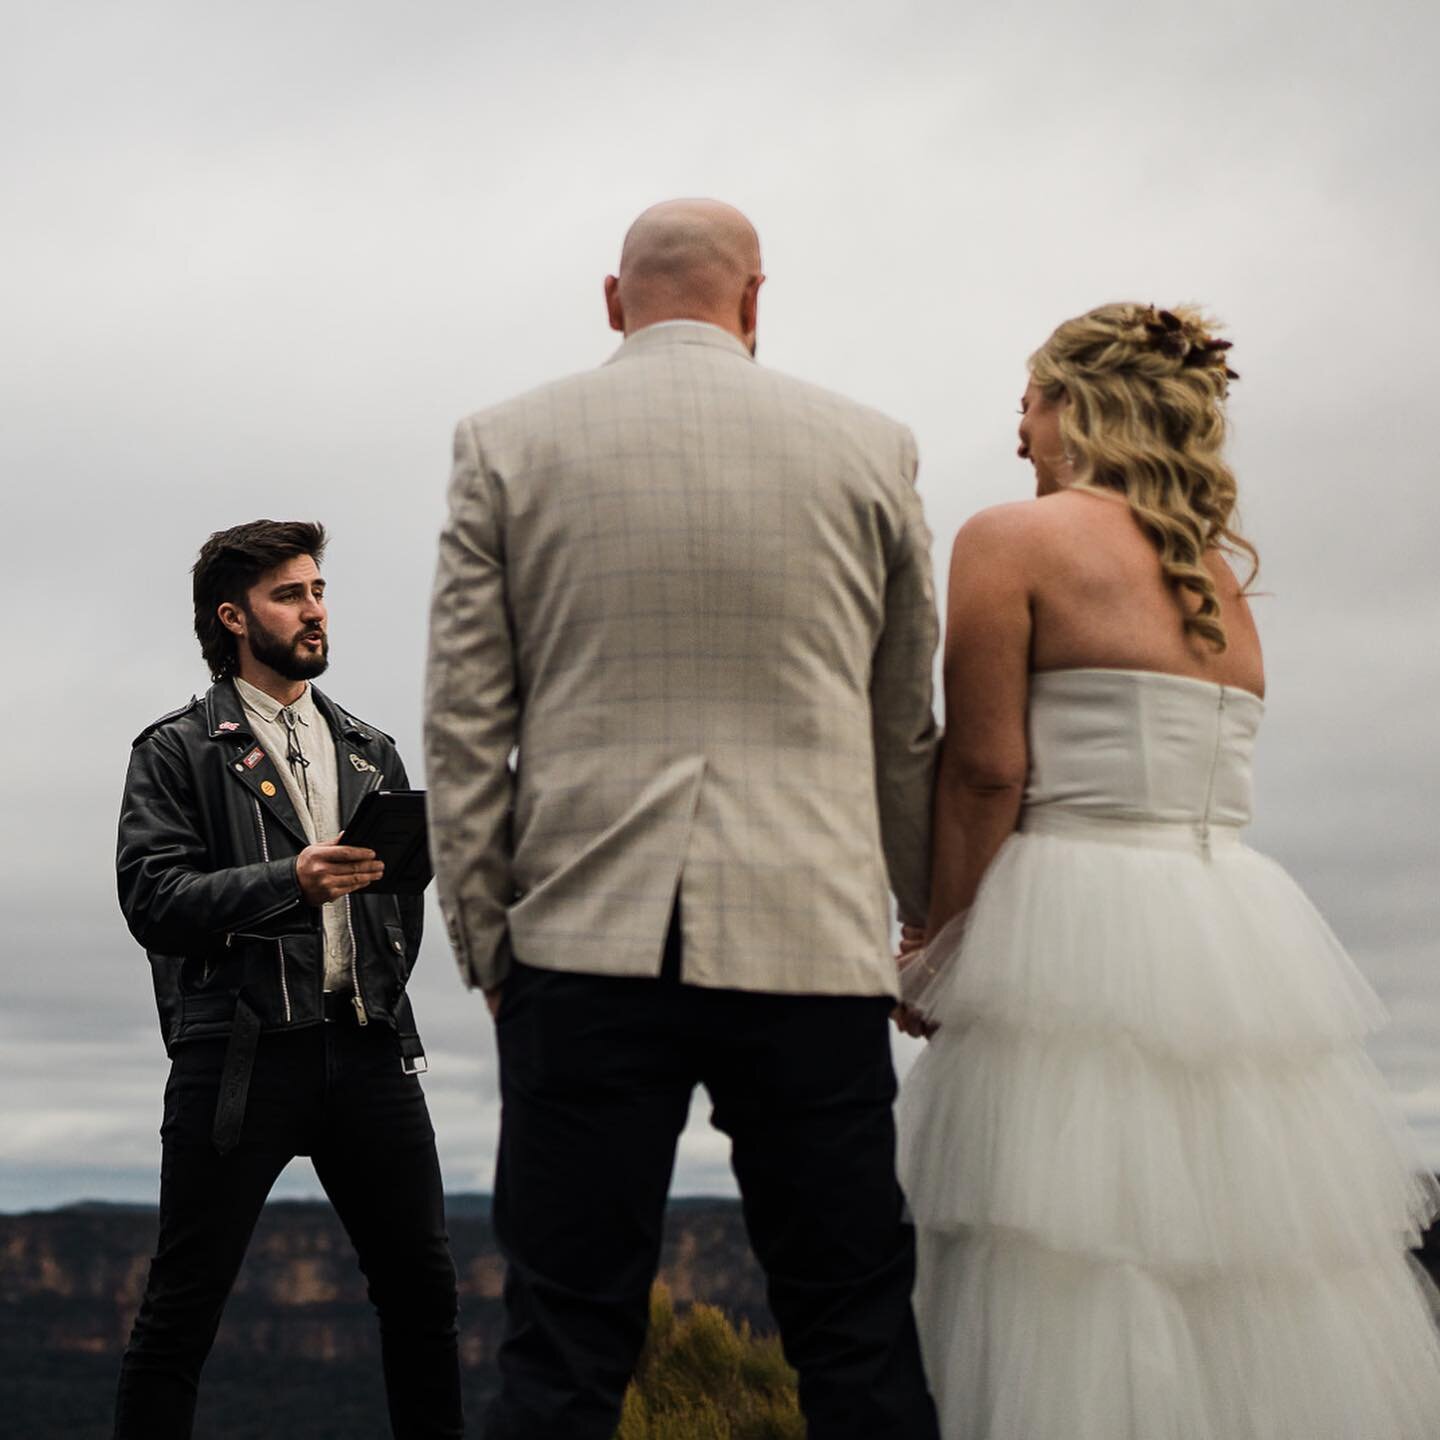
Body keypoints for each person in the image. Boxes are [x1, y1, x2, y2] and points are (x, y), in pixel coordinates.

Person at [425, 198, 943, 1439]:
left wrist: (491, 941)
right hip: (811, 938)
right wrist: (930, 925)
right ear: (755, 300)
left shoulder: (507, 442)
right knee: (856, 1326)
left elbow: (461, 727)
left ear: (615, 299)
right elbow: (901, 726)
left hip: (584, 941)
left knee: (561, 1342)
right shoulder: (871, 447)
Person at [894, 303, 1440, 1438]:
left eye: (1029, 404)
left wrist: (942, 949)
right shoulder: (1217, 585)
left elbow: (988, 773)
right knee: (1241, 1262)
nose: (1018, 437)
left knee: (1063, 1261)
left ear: (1079, 407)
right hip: (1228, 931)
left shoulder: (1010, 540)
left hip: (1067, 930)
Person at [113, 520, 462, 1440]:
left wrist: (378, 992)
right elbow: (152, 897)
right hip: (238, 1060)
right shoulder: (177, 750)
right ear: (233, 617)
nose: (314, 611)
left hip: (369, 1051)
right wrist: (288, 881)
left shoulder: (368, 749)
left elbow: (400, 899)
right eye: (288, 595)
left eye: (317, 590)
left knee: (425, 1300)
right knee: (181, 1314)